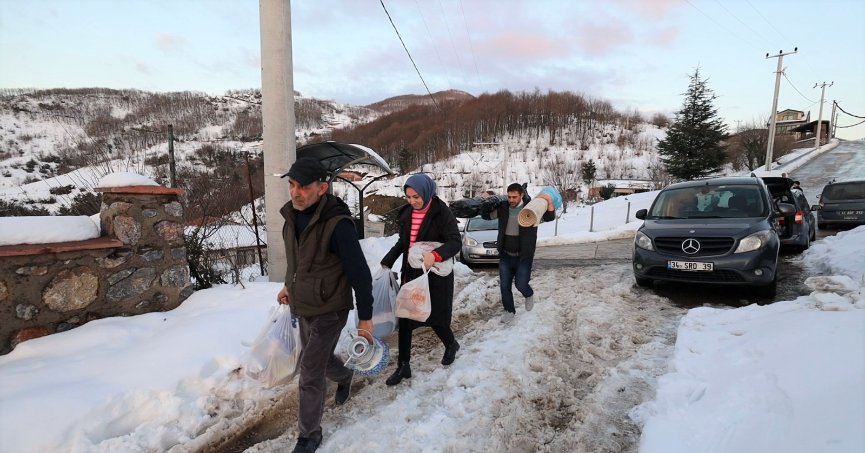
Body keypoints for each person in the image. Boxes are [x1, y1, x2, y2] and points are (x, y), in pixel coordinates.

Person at [276, 157, 375, 453]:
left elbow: (360, 273)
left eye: (303, 187)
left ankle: (309, 435)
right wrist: (288, 285)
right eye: (292, 185)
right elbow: (298, 261)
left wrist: (366, 319)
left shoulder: (337, 225)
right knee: (313, 357)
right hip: (303, 302)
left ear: (322, 187)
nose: (296, 192)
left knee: (309, 369)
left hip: (331, 308)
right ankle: (345, 376)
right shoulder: (293, 216)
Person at [380, 174, 462, 386]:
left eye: (416, 196)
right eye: (408, 197)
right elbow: (403, 242)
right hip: (412, 272)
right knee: (406, 317)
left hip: (434, 273)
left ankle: (451, 344)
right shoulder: (407, 213)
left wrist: (435, 255)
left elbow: (455, 241)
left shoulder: (441, 212)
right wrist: (386, 261)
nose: (412, 201)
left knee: (435, 316)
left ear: (426, 192)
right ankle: (403, 365)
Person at [481, 183, 555, 323]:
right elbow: (486, 216)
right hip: (505, 254)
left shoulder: (532, 207)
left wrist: (549, 200)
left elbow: (550, 217)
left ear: (521, 195)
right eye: (509, 197)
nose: (511, 200)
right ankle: (509, 310)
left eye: (514, 197)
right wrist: (486, 203)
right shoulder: (503, 207)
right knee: (504, 286)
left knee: (521, 284)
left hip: (524, 256)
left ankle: (528, 293)